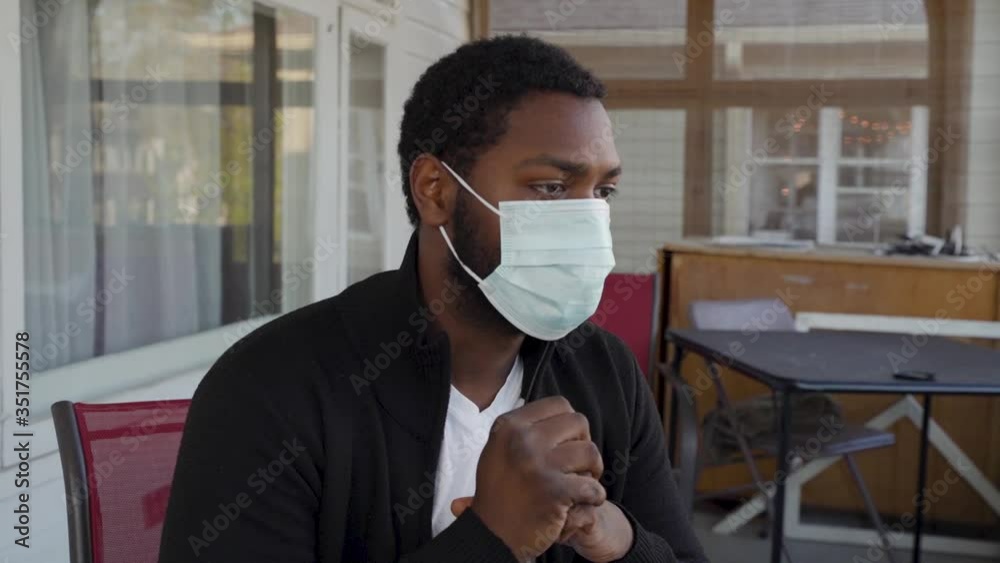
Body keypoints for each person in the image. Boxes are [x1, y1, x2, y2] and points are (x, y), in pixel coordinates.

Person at [158, 35, 708, 563]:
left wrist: (622, 541)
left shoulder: (604, 371)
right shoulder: (273, 387)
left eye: (602, 191)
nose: (587, 219)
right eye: (550, 187)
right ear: (435, 190)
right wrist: (492, 539)